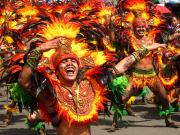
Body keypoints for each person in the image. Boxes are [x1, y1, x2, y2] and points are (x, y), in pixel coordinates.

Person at [17, 31, 165, 135]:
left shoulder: (90, 85)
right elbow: (24, 82)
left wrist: (144, 50)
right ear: (56, 70)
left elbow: (120, 67)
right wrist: (39, 50)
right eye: (64, 62)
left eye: (73, 61)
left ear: (79, 66)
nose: (69, 64)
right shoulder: (52, 93)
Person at [120, 16, 179, 127]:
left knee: (165, 99)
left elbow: (159, 51)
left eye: (143, 27)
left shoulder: (151, 40)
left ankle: (168, 120)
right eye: (138, 27)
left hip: (151, 75)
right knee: (123, 98)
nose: (141, 29)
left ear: (146, 28)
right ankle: (115, 121)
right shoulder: (130, 41)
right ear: (134, 28)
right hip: (136, 76)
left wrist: (165, 53)